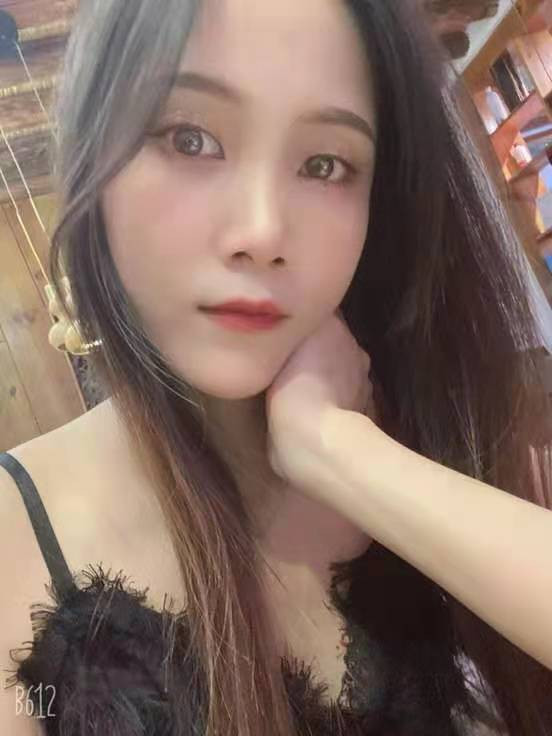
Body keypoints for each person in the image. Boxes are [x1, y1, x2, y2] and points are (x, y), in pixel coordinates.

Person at [1, 1, 551, 734]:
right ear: (93, 160)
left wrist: (336, 449)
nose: (262, 232)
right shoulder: (13, 536)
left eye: (326, 165)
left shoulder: (424, 412)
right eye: (191, 139)